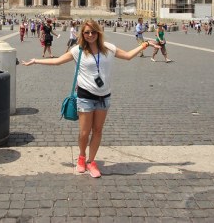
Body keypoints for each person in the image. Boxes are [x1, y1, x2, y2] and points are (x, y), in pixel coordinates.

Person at [21, 20, 150, 178]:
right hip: (85, 96)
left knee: (97, 131)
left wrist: (145, 45)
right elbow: (57, 61)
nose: (90, 35)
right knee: (84, 132)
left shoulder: (109, 48)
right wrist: (36, 61)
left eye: (93, 32)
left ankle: (91, 161)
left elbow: (129, 56)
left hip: (104, 97)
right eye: (87, 32)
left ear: (98, 33)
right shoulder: (78, 50)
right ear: (82, 34)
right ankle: (81, 157)